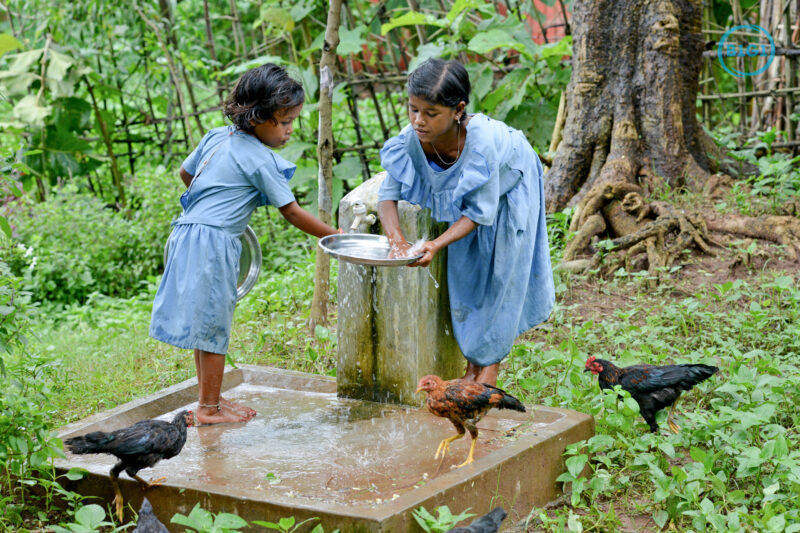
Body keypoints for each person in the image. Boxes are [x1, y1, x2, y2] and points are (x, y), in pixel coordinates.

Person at [150, 64, 340, 425]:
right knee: (215, 324)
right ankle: (207, 409)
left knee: (205, 323)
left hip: (187, 233)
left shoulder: (216, 137)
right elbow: (294, 213)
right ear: (257, 119)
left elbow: (186, 174)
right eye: (284, 123)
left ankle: (212, 399)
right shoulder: (259, 158)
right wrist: (337, 236)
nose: (289, 131)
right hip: (214, 242)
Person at [377, 58, 555, 387]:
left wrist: (434, 243)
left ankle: (486, 375)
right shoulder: (411, 139)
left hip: (510, 183)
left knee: (502, 272)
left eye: (431, 113)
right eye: (413, 109)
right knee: (467, 273)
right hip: (474, 205)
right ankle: (474, 365)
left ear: (458, 110)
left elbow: (477, 212)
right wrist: (397, 241)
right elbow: (387, 195)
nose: (419, 121)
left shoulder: (481, 145)